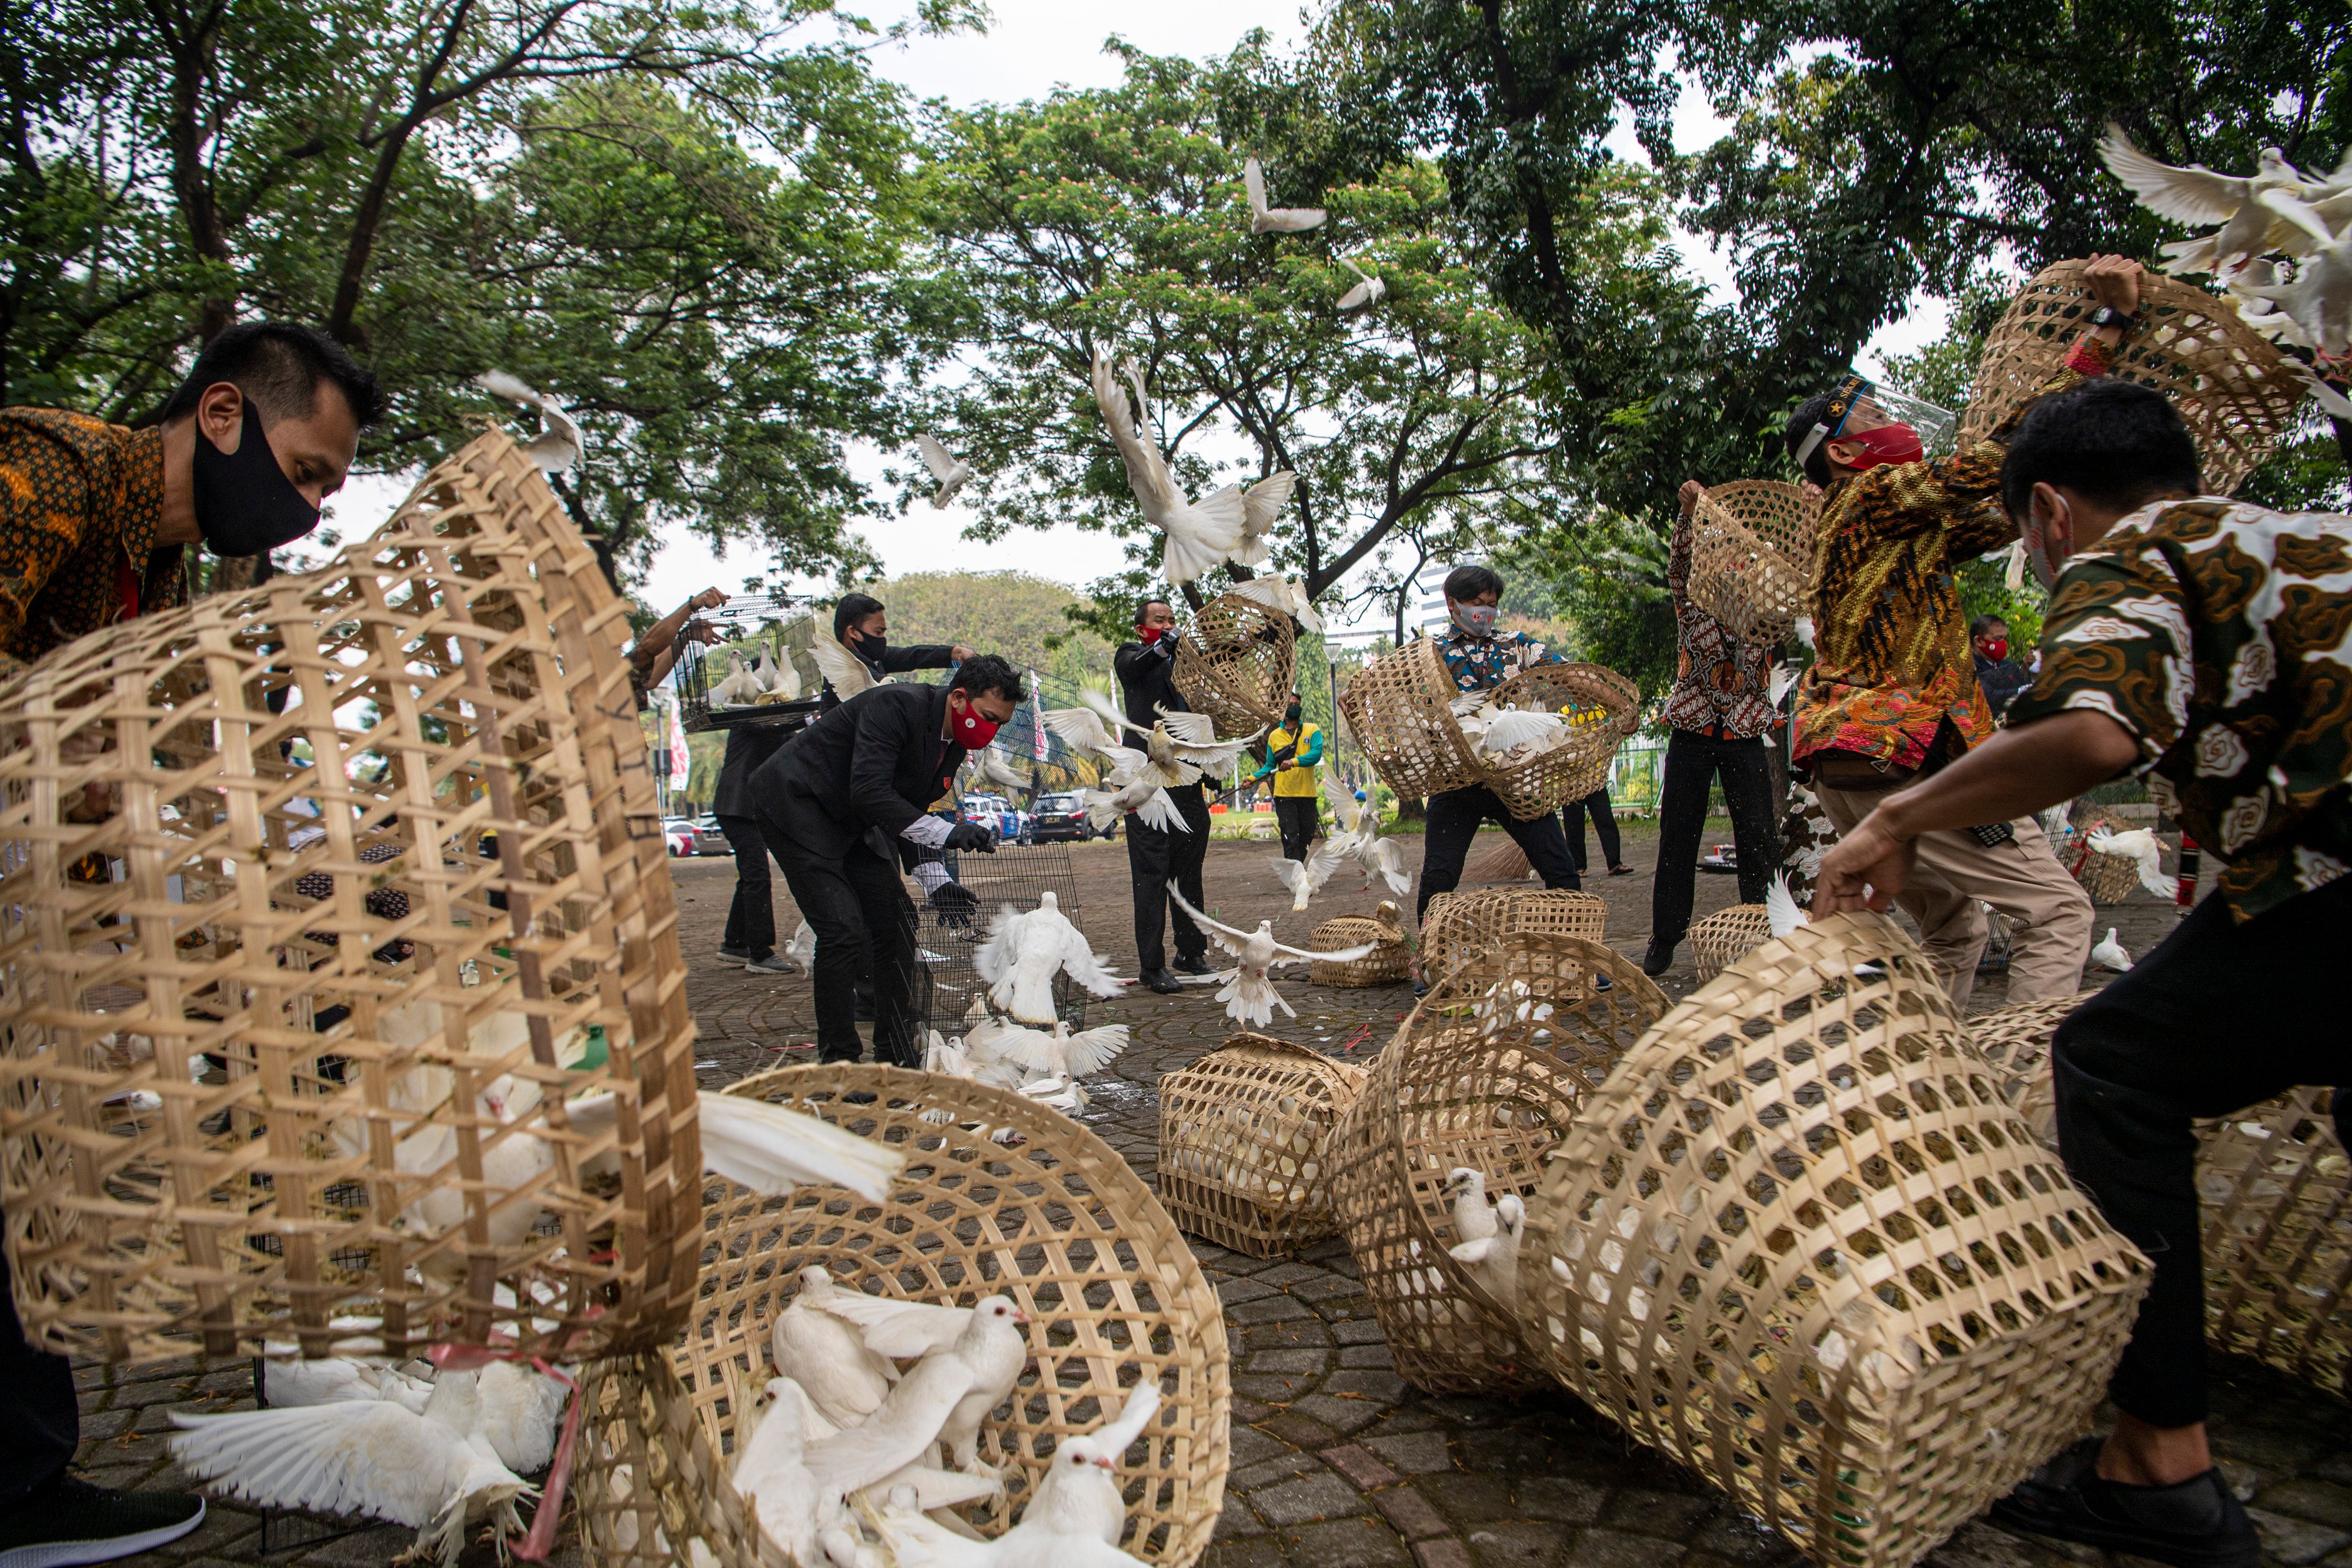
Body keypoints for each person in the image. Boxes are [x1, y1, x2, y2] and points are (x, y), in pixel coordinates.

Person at [1810, 376, 2352, 1568]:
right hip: (2307, 871)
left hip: (2327, 876)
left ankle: (2157, 1463)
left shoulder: (2136, 552)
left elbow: (2094, 730)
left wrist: (1896, 818)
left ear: (2050, 512)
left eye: (2024, 537)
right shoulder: (2305, 535)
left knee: (2112, 1060)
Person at [0, 322, 382, 1566]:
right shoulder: (51, 472)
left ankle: (23, 1475)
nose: (309, 508)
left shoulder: (153, 580)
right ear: (222, 416)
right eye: (307, 471)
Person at [1785, 258, 2146, 1008]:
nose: (1895, 422)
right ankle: (2024, 1077)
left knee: (1955, 931)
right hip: (1905, 753)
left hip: (1848, 763)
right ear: (1844, 454)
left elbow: (1996, 512)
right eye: (1874, 417)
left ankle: (1929, 1075)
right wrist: (2103, 335)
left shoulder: (1882, 527)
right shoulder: (1874, 495)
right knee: (2057, 912)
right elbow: (1999, 458)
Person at [747, 655, 1023, 1065]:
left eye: (1000, 723)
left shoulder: (953, 742)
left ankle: (895, 1052)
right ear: (959, 698)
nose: (991, 730)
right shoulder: (895, 706)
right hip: (797, 803)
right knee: (841, 928)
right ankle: (840, 1061)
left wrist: (937, 882)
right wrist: (948, 833)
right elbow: (870, 790)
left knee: (898, 921)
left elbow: (907, 808)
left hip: (853, 818)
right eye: (988, 717)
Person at [1641, 483, 1785, 975]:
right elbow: (1679, 566)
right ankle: (1665, 936)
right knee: (1678, 836)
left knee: (1759, 836)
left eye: (1742, 564)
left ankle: (1764, 931)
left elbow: (1800, 578)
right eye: (1724, 562)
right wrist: (1687, 515)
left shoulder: (1767, 613)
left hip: (1744, 734)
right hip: (1692, 732)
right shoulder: (1692, 604)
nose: (1733, 570)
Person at [1416, 564, 1581, 930]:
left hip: (1515, 778)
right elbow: (1382, 685)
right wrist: (1353, 695)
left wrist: (1616, 702)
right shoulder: (1428, 654)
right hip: (1454, 781)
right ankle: (1428, 953)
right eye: (1477, 603)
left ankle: (1574, 945)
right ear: (1452, 604)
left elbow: (1568, 674)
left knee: (1560, 868)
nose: (1485, 612)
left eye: (1492, 604)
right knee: (1439, 877)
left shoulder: (1516, 645)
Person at [1117, 600, 1213, 994]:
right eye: (1160, 621)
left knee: (1189, 867)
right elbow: (1135, 666)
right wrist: (1162, 646)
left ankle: (1190, 952)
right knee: (1152, 869)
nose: (1170, 625)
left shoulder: (1185, 665)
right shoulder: (1131, 656)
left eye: (1173, 620)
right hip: (1145, 779)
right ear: (1143, 630)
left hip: (1184, 778)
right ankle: (1151, 966)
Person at [711, 715, 797, 975]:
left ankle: (735, 943)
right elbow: (773, 729)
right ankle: (760, 953)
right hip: (736, 808)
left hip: (741, 808)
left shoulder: (773, 731)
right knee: (757, 877)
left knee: (751, 877)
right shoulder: (749, 721)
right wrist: (805, 719)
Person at [817, 590, 973, 710]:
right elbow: (894, 690)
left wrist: (954, 653)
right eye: (878, 632)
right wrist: (949, 695)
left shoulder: (874, 658)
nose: (882, 639)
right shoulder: (850, 667)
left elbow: (911, 656)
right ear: (853, 632)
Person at [1256, 691, 1324, 862]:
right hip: (1284, 796)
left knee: (1306, 837)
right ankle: (1295, 873)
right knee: (1290, 837)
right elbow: (1269, 766)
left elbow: (1316, 755)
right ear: (1283, 709)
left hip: (1307, 794)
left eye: (1296, 705)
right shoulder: (1274, 736)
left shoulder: (1312, 730)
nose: (1294, 707)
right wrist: (1252, 779)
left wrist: (1293, 762)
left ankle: (1296, 868)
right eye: (1290, 705)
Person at [1970, 613, 2032, 720]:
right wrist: (2019, 691)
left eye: (2004, 638)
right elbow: (1986, 695)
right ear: (1979, 641)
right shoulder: (1967, 668)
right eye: (1998, 639)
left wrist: (2027, 670)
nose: (2003, 643)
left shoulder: (2008, 666)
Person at [1562, 788, 1633, 877]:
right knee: (1573, 827)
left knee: (1605, 818)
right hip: (1570, 784)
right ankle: (1578, 867)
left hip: (1595, 782)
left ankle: (1615, 864)